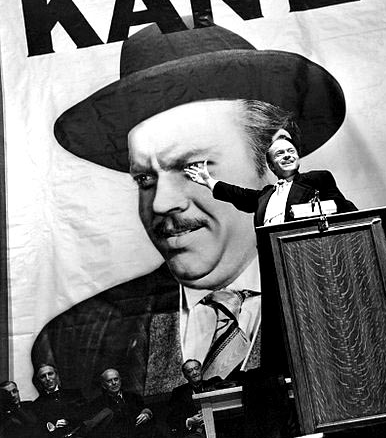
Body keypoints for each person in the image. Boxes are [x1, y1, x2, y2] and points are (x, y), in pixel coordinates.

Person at [32, 22, 350, 399]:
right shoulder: (72, 342)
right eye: (145, 180)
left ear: (271, 158)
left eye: (191, 169)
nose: (162, 203)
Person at [184, 136, 356, 226]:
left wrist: (379, 226)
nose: (287, 155)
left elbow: (344, 208)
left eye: (291, 151)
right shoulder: (265, 195)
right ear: (272, 166)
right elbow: (238, 194)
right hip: (273, 259)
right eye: (280, 153)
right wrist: (208, 181)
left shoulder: (317, 179)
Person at [32, 364, 97, 438]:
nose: (48, 378)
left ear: (56, 375)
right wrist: (51, 425)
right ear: (39, 381)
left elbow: (86, 414)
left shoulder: (74, 394)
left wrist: (68, 420)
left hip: (77, 435)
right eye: (43, 376)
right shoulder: (37, 404)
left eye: (50, 374)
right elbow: (39, 429)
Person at [86, 368, 153, 438]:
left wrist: (146, 414)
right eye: (109, 381)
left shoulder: (133, 397)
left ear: (120, 381)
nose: (114, 383)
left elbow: (145, 409)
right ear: (104, 385)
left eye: (116, 379)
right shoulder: (97, 403)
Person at [167, 359, 220, 438]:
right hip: (195, 432)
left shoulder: (215, 383)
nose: (195, 373)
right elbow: (171, 418)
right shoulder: (178, 393)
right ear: (185, 376)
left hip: (218, 428)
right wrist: (190, 420)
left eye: (196, 368)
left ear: (201, 369)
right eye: (190, 371)